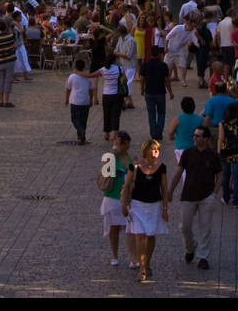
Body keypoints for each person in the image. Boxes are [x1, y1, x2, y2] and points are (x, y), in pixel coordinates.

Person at [168, 126, 222, 270]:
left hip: (206, 196)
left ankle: (203, 256)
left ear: (206, 139)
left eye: (198, 136)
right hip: (188, 195)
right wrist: (170, 190)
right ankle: (190, 248)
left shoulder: (213, 155)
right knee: (184, 226)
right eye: (194, 135)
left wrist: (214, 193)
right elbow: (179, 172)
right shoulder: (187, 153)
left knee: (205, 227)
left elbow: (220, 175)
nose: (195, 138)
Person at [120, 138, 169, 283]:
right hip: (138, 205)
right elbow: (127, 185)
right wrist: (124, 205)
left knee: (151, 236)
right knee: (140, 236)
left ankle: (147, 262)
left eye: (157, 150)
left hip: (154, 205)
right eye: (152, 149)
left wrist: (165, 208)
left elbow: (164, 189)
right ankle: (142, 268)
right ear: (145, 150)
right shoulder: (134, 167)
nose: (155, 152)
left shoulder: (162, 168)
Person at [99, 130, 138, 268]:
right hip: (112, 197)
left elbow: (136, 178)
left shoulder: (131, 158)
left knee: (131, 228)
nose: (119, 144)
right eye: (117, 141)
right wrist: (110, 157)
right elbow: (104, 176)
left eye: (122, 142)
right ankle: (114, 255)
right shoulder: (109, 157)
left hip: (128, 198)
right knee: (114, 228)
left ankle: (133, 257)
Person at [217, 101, 238, 208]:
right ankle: (236, 201)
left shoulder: (222, 124)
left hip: (226, 153)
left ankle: (226, 197)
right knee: (237, 177)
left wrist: (218, 152)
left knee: (225, 176)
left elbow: (220, 139)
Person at [140, 49, 173, 140]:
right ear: (159, 55)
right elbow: (166, 80)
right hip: (161, 93)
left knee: (151, 114)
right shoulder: (163, 65)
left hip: (149, 92)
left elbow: (142, 78)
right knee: (161, 113)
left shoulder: (145, 65)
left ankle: (153, 133)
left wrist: (142, 89)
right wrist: (170, 92)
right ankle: (159, 132)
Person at [66, 57, 95, 144]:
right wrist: (91, 99)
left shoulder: (72, 76)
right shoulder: (88, 77)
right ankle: (81, 136)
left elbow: (68, 89)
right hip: (85, 100)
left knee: (75, 119)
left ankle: (80, 131)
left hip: (75, 101)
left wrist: (66, 99)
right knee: (83, 119)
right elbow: (91, 89)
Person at [168, 94, 205, 163]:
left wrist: (173, 137)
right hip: (196, 148)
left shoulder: (177, 120)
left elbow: (170, 133)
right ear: (194, 107)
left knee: (183, 169)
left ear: (182, 107)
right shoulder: (200, 119)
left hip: (181, 148)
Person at [0, 17, 17, 107]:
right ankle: (7, 101)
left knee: (1, 81)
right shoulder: (11, 36)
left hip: (0, 62)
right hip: (10, 60)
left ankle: (1, 100)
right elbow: (15, 45)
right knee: (8, 81)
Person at [113, 23, 137, 109]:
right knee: (124, 83)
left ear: (121, 33)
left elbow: (128, 56)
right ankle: (129, 102)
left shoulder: (131, 41)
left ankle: (127, 101)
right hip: (122, 64)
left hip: (130, 65)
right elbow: (116, 49)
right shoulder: (120, 39)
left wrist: (118, 53)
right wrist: (118, 53)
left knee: (128, 83)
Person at [216, 10, 235, 78]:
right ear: (232, 14)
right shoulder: (232, 22)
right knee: (233, 63)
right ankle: (233, 79)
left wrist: (219, 46)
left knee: (226, 63)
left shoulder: (220, 23)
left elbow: (218, 35)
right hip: (232, 45)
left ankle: (226, 79)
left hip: (223, 45)